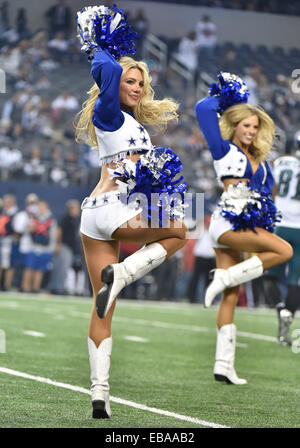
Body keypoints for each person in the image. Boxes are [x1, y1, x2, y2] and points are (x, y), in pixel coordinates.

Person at [75, 6, 188, 419]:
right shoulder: (107, 113)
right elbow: (104, 69)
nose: (137, 87)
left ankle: (99, 394)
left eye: (141, 81)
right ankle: (122, 273)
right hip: (114, 210)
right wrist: (100, 44)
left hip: (94, 218)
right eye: (130, 80)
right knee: (179, 232)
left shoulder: (132, 124)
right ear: (115, 83)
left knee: (103, 306)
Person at [194, 72, 293, 385]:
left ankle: (224, 365)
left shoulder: (261, 158)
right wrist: (232, 98)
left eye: (254, 126)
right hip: (227, 223)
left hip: (244, 223)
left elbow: (268, 193)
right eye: (245, 125)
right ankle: (224, 277)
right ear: (235, 125)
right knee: (284, 250)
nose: (250, 131)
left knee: (232, 297)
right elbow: (202, 108)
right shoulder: (223, 149)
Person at [263, 139, 300, 346]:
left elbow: (272, 190)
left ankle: (280, 310)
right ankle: (288, 319)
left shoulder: (283, 162)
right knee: (295, 280)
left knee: (270, 277)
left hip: (281, 226)